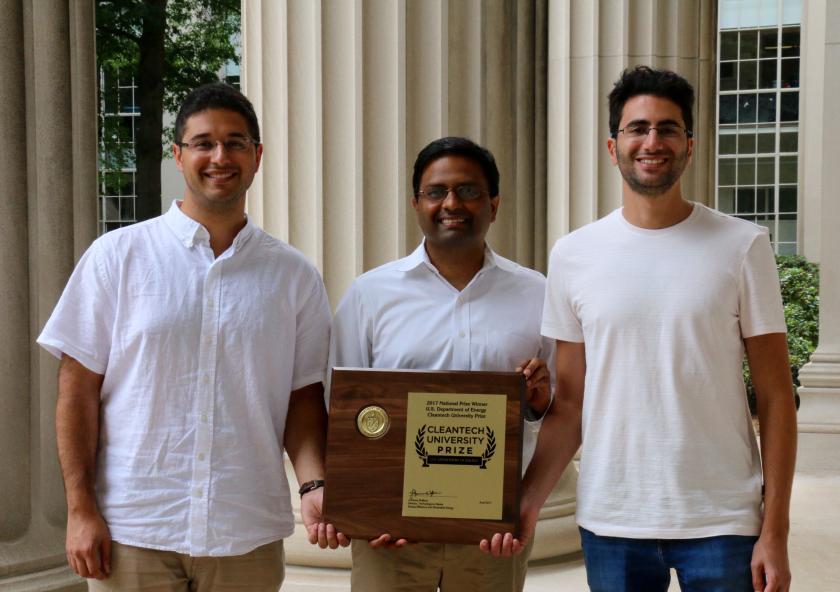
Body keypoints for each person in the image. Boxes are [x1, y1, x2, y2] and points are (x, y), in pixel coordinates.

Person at [484, 66, 797, 592]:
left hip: (722, 519)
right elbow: (570, 405)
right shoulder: (574, 255)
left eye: (668, 128)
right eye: (638, 128)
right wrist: (527, 501)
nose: (653, 141)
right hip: (613, 519)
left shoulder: (743, 245)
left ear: (689, 145)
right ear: (613, 146)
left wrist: (776, 530)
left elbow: (776, 397)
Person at [37, 82, 347, 591]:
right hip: (134, 530)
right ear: (179, 156)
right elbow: (77, 391)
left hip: (245, 531)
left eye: (235, 142)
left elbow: (304, 399)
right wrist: (79, 509)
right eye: (203, 142)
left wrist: (314, 484)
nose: (219, 156)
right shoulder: (117, 257)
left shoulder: (294, 276)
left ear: (257, 156)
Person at [329, 136, 553, 591]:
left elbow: (556, 408)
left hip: (491, 532)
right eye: (437, 191)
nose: (452, 203)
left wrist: (539, 396)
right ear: (416, 203)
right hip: (389, 534)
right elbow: (341, 409)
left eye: (469, 191)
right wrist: (365, 509)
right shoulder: (370, 295)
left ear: (494, 203)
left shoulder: (539, 294)